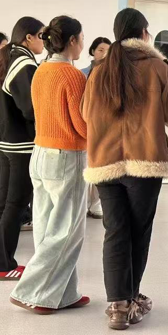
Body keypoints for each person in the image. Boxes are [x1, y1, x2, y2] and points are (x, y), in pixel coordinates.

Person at [82, 8, 168, 330]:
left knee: (115, 232)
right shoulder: (158, 67)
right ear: (143, 33)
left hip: (105, 162)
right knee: (138, 232)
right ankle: (132, 299)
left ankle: (117, 306)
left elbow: (85, 113)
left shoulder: (100, 70)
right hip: (146, 162)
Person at [10, 16, 89, 313]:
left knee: (47, 228)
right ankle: (31, 291)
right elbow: (82, 126)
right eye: (82, 38)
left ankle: (64, 294)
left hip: (40, 153)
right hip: (66, 156)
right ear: (72, 40)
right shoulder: (73, 76)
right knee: (68, 231)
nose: (82, 43)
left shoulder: (41, 70)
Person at [0, 17, 44, 281]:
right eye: (41, 36)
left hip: (6, 142)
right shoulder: (23, 63)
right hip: (21, 146)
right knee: (15, 206)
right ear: (28, 37)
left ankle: (4, 262)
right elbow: (30, 108)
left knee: (5, 204)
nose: (44, 41)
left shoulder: (9, 58)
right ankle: (5, 265)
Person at [81, 36, 111, 220]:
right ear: (93, 51)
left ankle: (96, 204)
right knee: (85, 167)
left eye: (108, 50)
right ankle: (83, 204)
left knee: (101, 166)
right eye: (100, 49)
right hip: (84, 126)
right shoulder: (82, 74)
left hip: (105, 127)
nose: (104, 53)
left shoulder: (114, 75)